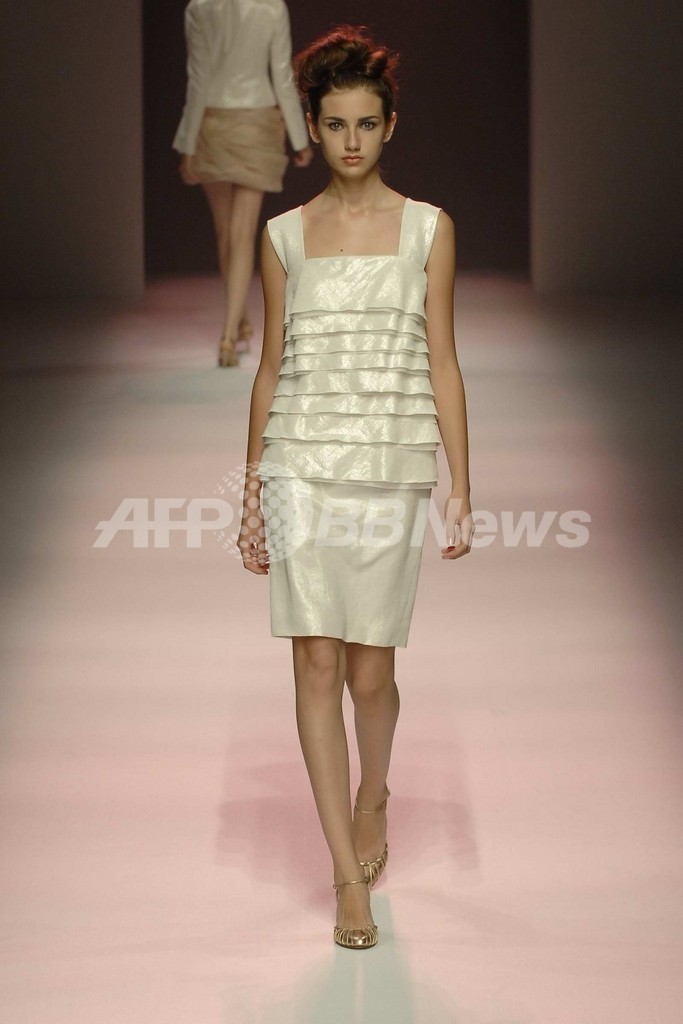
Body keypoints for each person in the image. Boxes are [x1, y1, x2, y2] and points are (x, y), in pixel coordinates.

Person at [240, 25, 473, 949]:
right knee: (316, 663)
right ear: (313, 124)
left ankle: (374, 791)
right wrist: (252, 492)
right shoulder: (282, 237)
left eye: (365, 124)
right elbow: (270, 367)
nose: (349, 141)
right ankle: (345, 875)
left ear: (389, 125)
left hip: (389, 464)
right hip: (300, 460)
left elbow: (443, 359)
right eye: (334, 124)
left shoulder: (427, 230)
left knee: (372, 673)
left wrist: (461, 482)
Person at [173, 0, 313, 367]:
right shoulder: (271, 6)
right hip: (256, 122)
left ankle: (235, 326)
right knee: (240, 234)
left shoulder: (199, 7)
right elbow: (281, 75)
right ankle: (229, 333)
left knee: (226, 233)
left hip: (213, 122)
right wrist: (299, 138)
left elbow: (198, 79)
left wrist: (187, 144)